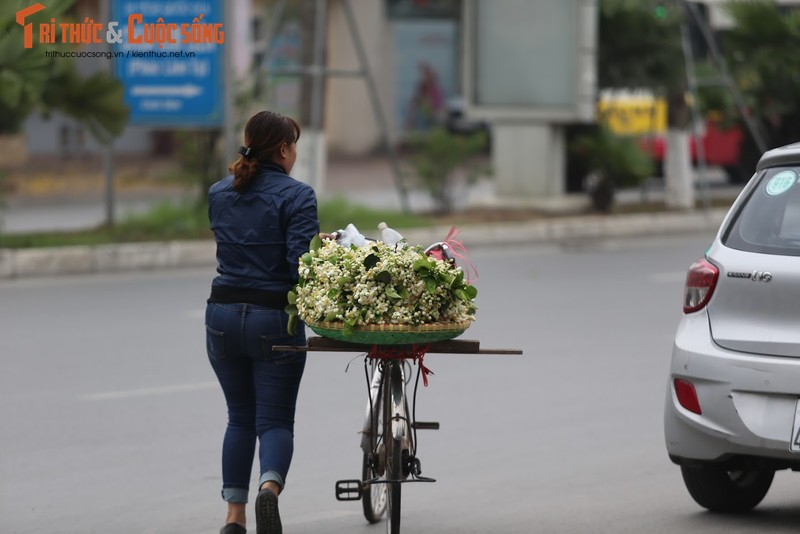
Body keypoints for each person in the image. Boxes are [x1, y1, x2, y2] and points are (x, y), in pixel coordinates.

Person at [205, 110, 319, 534]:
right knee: (273, 421)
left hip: (220, 315)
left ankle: (234, 518)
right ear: (285, 149)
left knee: (239, 417)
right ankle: (268, 490)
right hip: (274, 321)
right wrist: (319, 251)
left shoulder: (219, 191)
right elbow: (298, 266)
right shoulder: (298, 196)